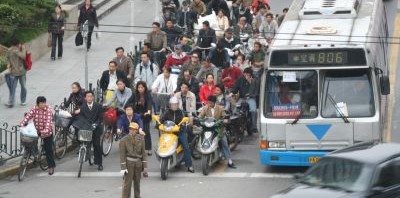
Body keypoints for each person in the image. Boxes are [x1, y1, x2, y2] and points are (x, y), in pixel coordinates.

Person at [20, 96, 55, 175]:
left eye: (44, 103)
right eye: (41, 103)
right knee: (30, 142)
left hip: (47, 132)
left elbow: (48, 123)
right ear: (37, 104)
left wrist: (44, 131)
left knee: (48, 150)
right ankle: (34, 154)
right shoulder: (34, 109)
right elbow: (28, 116)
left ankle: (51, 167)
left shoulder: (48, 110)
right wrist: (22, 124)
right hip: (36, 130)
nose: (43, 105)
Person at [198, 95, 236, 168]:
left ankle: (230, 161)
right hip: (207, 129)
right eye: (208, 102)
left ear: (214, 102)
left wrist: (222, 120)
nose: (209, 104)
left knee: (224, 143)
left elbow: (224, 116)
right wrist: (199, 120)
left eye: (210, 103)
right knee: (200, 138)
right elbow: (200, 116)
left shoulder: (220, 108)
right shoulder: (205, 108)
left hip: (218, 129)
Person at [161, 97, 194, 173]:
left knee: (186, 146)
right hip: (169, 131)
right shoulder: (167, 112)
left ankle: (189, 165)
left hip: (180, 131)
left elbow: (184, 121)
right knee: (164, 143)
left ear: (178, 105)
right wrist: (159, 124)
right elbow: (162, 120)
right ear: (170, 105)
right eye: (172, 105)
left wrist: (182, 125)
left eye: (175, 105)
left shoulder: (180, 112)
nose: (174, 106)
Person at [73, 91, 104, 170]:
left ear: (93, 97)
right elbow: (81, 118)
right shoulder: (83, 107)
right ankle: (86, 155)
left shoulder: (98, 106)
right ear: (85, 98)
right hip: (87, 127)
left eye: (91, 96)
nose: (89, 98)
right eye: (88, 97)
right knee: (84, 142)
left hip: (96, 128)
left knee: (97, 145)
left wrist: (95, 124)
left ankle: (99, 163)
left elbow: (100, 118)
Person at [119, 122, 148, 198]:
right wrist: (123, 168)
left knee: (137, 183)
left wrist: (145, 166)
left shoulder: (141, 139)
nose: (132, 131)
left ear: (137, 130)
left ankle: (137, 196)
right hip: (129, 164)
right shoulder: (123, 140)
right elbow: (122, 155)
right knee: (127, 184)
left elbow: (143, 153)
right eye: (130, 129)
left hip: (138, 164)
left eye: (134, 129)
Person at [126, 81, 153, 155]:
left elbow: (150, 103)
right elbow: (128, 102)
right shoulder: (135, 94)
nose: (140, 89)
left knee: (146, 131)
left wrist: (148, 111)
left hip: (145, 115)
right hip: (137, 115)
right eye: (139, 87)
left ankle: (148, 148)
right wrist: (128, 109)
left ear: (145, 88)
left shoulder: (148, 94)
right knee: (135, 131)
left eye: (142, 87)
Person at [231, 68, 259, 134]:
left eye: (247, 74)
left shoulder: (255, 80)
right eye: (244, 74)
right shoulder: (240, 79)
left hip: (251, 98)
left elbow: (256, 90)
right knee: (235, 110)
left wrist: (250, 82)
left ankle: (254, 126)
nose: (246, 75)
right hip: (242, 98)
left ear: (250, 74)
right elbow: (235, 87)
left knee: (253, 110)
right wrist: (232, 92)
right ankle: (234, 127)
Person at [5, 38, 28, 108]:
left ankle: (17, 101)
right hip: (17, 72)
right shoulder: (13, 50)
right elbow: (8, 58)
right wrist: (24, 49)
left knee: (18, 87)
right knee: (17, 87)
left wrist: (9, 65)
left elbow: (24, 57)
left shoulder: (13, 50)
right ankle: (16, 102)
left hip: (18, 72)